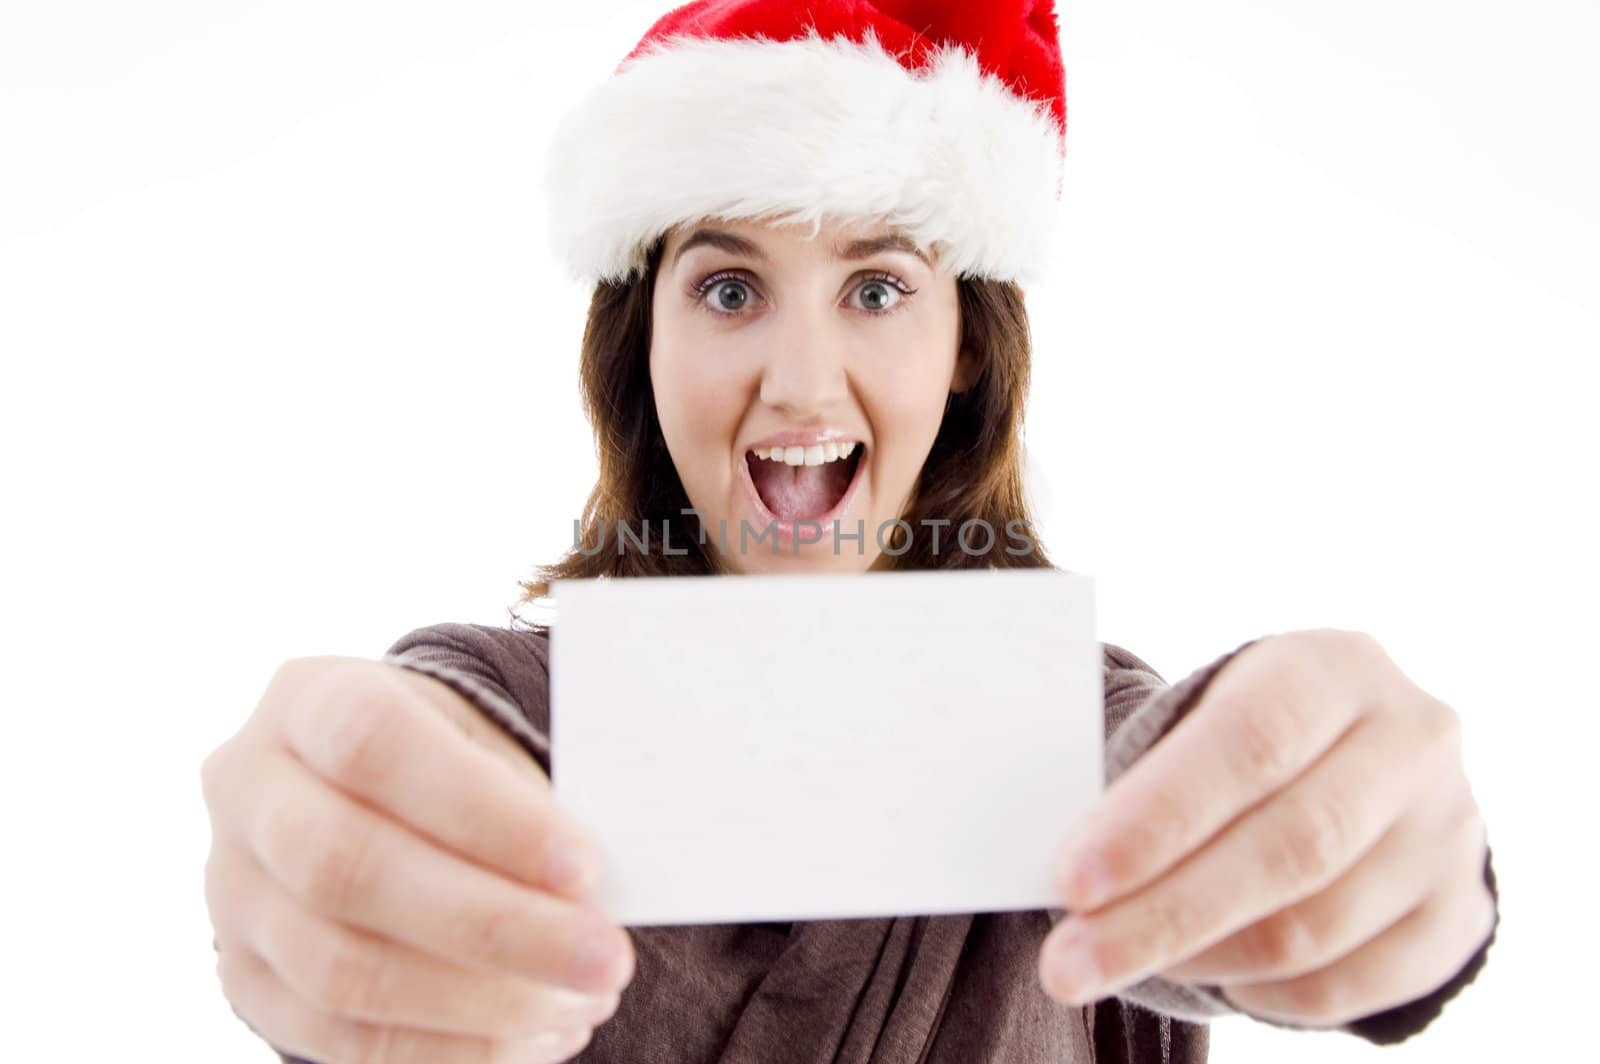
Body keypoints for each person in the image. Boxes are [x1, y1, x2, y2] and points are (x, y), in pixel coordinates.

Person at [200, 2, 1499, 1061]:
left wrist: (1385, 871)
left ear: (966, 356)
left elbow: (1205, 794)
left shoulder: (1079, 734)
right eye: (726, 288)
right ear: (636, 352)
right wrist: (336, 853)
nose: (803, 383)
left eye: (877, 287)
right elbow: (438, 749)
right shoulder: (513, 708)